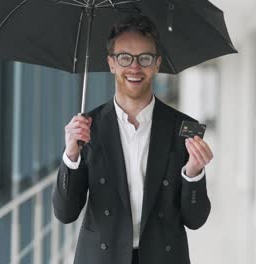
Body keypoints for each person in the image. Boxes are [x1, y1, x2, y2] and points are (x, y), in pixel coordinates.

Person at [52, 15, 213, 264]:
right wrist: (71, 155)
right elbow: (65, 213)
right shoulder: (87, 128)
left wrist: (193, 172)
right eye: (124, 58)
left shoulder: (183, 128)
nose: (135, 68)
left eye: (145, 58)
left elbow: (196, 220)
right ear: (111, 63)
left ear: (157, 64)